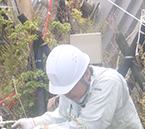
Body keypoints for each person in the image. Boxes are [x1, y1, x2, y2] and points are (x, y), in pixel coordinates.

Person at [12, 44, 143, 129]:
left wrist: (44, 128)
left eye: (69, 89)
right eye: (63, 90)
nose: (66, 94)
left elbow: (87, 126)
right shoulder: (71, 86)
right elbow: (63, 115)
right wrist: (34, 122)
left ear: (86, 74)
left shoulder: (109, 83)